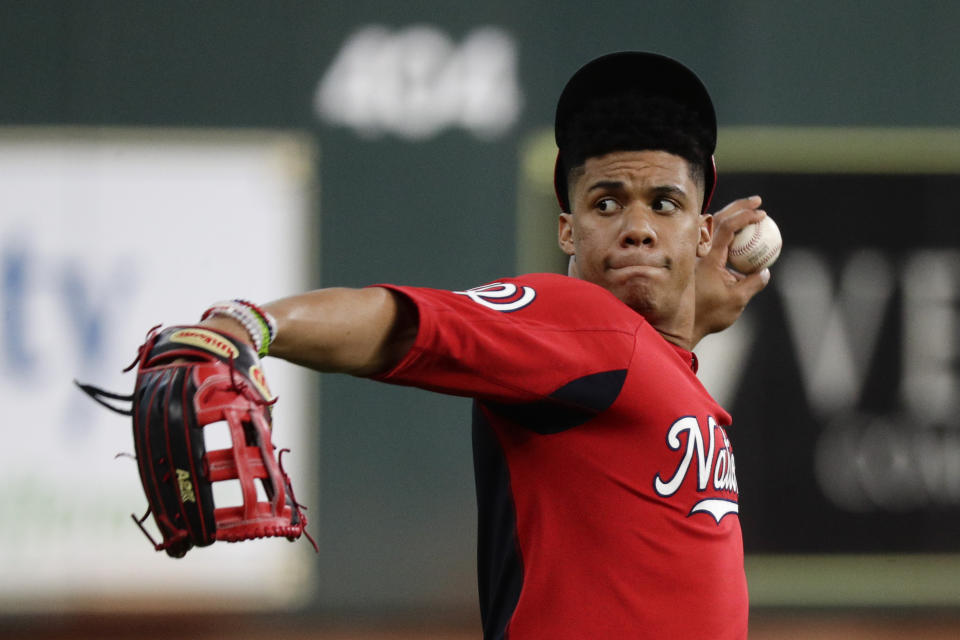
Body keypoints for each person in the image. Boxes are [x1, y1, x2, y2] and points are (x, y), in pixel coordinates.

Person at [200, 52, 770, 639]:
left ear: (704, 232)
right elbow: (401, 323)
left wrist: (687, 326)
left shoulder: (650, 365)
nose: (638, 226)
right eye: (606, 202)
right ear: (566, 229)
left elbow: (635, 387)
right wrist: (253, 324)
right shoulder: (577, 319)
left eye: (665, 203)